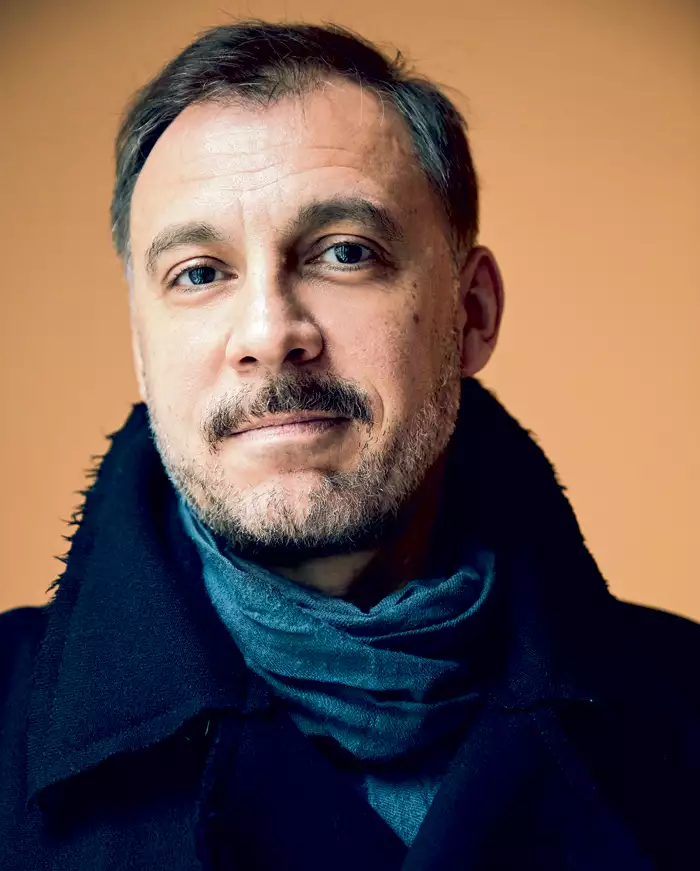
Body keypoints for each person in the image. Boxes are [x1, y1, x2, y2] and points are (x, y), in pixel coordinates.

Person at [1, 19, 697, 871]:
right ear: (142, 350)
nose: (270, 334)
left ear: (472, 314)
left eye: (343, 253)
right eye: (200, 273)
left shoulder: (683, 711)